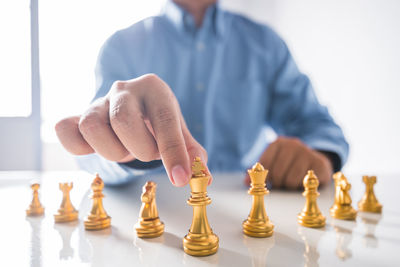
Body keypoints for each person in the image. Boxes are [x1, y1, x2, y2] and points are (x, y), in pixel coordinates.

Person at [55, 0, 348, 189]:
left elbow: (320, 127)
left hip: (247, 212)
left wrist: (320, 157)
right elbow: (93, 155)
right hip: (148, 221)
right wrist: (123, 151)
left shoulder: (267, 45)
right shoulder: (119, 47)